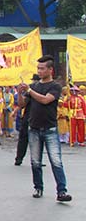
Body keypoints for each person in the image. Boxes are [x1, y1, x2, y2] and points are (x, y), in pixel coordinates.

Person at [17, 55, 72, 201]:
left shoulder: (55, 86)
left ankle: (61, 191)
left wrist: (29, 91)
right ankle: (38, 187)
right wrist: (19, 92)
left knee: (56, 161)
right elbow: (22, 105)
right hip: (33, 128)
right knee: (35, 161)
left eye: (42, 68)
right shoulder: (34, 86)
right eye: (38, 68)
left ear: (50, 70)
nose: (39, 71)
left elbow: (45, 100)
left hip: (50, 129)